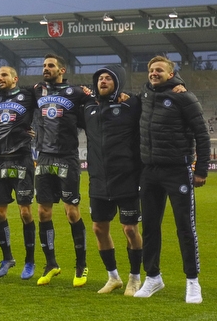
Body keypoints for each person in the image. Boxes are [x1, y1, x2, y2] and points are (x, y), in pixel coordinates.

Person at [134, 56, 210, 304]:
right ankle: (153, 277)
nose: (154, 73)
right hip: (150, 171)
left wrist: (201, 170)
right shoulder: (144, 96)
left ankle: (192, 281)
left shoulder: (183, 96)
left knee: (185, 227)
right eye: (151, 70)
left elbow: (202, 133)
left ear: (171, 73)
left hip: (178, 170)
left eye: (159, 70)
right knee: (150, 227)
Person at [82, 65, 143, 295]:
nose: (103, 81)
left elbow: (154, 92)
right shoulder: (88, 107)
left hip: (126, 177)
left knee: (129, 229)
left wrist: (177, 82)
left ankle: (135, 278)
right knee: (99, 228)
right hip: (98, 179)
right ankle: (113, 277)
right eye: (100, 79)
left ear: (118, 83)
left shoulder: (131, 104)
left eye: (108, 78)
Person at [32, 53, 92, 287]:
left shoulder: (77, 93)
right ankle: (51, 264)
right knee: (43, 213)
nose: (46, 68)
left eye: (50, 66)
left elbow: (95, 110)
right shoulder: (37, 90)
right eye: (44, 65)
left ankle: (81, 264)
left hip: (67, 158)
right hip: (44, 158)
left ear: (62, 70)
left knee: (71, 212)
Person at [0, 66, 37, 279]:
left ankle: (30, 261)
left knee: (25, 212)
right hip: (1, 160)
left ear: (15, 78)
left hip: (22, 159)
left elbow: (47, 101)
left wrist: (36, 131)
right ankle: (7, 258)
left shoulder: (27, 95)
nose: (0, 78)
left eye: (4, 75)